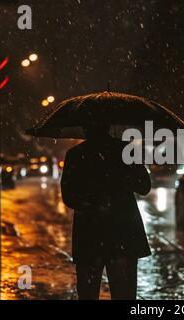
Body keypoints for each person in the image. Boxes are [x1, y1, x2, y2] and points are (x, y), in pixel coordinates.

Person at [60, 123, 151, 300]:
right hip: (122, 234)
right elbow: (144, 186)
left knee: (88, 294)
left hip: (89, 235)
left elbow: (69, 196)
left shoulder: (76, 155)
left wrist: (91, 204)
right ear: (109, 127)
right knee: (124, 294)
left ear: (85, 128)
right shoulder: (125, 150)